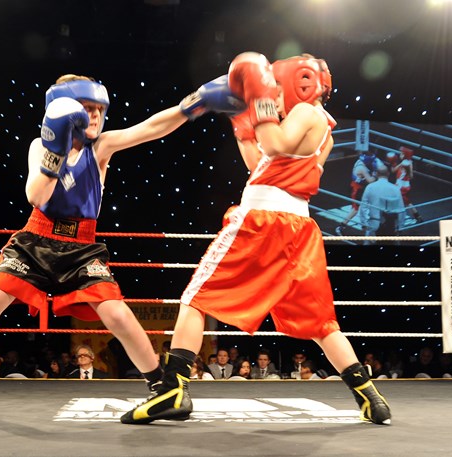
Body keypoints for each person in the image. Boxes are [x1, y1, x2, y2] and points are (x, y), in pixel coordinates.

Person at [0, 73, 244, 409]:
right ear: (65, 109)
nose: (95, 115)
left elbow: (150, 128)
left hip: (81, 246)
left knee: (117, 315)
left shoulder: (102, 147)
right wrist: (56, 149)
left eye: (99, 109)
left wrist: (193, 104)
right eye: (87, 107)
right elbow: (36, 196)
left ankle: (161, 387)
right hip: (36, 238)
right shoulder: (40, 145)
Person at [121, 52, 391, 426]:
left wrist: (259, 98)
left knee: (195, 298)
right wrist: (240, 119)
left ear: (301, 83)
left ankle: (171, 390)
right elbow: (262, 162)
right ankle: (369, 396)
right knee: (320, 323)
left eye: (278, 89)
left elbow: (276, 144)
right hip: (298, 229)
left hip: (263, 222)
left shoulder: (306, 112)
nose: (275, 97)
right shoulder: (322, 127)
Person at [335, 150, 380, 236]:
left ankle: (364, 225)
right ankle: (341, 226)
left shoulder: (360, 161)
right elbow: (371, 180)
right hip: (356, 190)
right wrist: (375, 173)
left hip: (359, 187)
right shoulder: (362, 168)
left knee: (365, 205)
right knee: (356, 209)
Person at [358, 163, 405, 245]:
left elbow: (363, 207)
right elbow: (401, 209)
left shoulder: (370, 187)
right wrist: (400, 227)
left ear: (377, 174)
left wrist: (364, 223)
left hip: (374, 223)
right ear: (388, 174)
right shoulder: (395, 189)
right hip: (391, 225)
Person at [391, 146, 423, 223]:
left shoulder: (408, 163)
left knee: (399, 201)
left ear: (406, 155)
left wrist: (407, 171)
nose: (400, 155)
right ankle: (417, 216)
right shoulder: (404, 162)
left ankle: (397, 217)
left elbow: (411, 176)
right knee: (407, 202)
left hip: (402, 186)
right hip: (401, 185)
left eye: (402, 154)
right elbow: (394, 170)